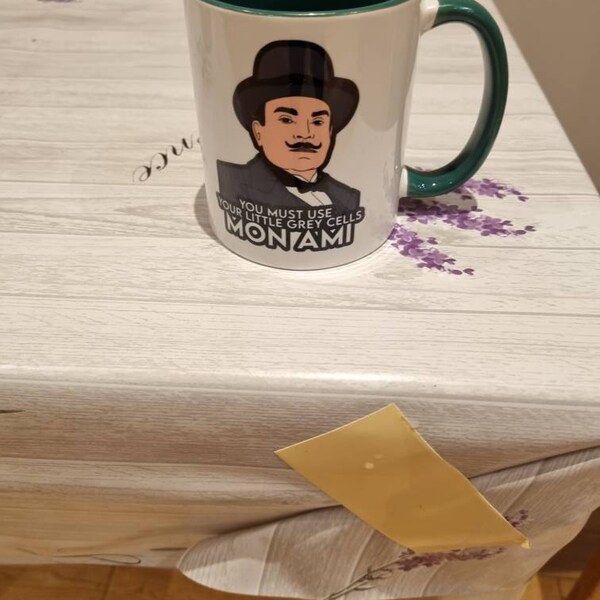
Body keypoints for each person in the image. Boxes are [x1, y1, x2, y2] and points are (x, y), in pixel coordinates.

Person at [217, 40, 361, 213]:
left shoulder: (347, 195)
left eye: (317, 122)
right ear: (258, 132)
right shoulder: (232, 183)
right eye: (287, 120)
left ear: (330, 131)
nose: (305, 133)